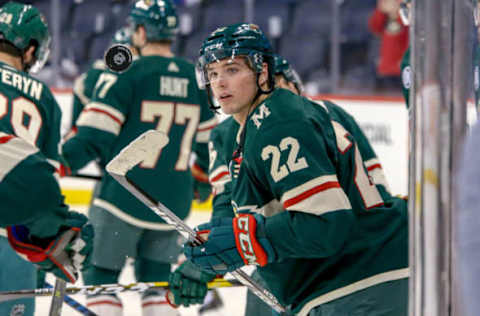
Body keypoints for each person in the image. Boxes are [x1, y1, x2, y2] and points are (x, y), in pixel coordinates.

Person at [169, 23, 409, 316]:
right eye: (213, 73)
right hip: (355, 274)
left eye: (232, 70)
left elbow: (324, 224)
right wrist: (207, 258)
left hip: (354, 281)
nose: (219, 82)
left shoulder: (279, 121)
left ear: (263, 74)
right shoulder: (256, 128)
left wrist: (243, 241)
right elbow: (232, 214)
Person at [62, 0, 217, 315]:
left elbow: (93, 136)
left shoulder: (127, 71)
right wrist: (201, 179)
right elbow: (209, 146)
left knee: (101, 280)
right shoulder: (194, 78)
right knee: (157, 286)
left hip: (122, 200)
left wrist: (55, 166)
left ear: (143, 31)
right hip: (172, 206)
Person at [0, 2, 93, 316]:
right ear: (30, 49)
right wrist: (46, 242)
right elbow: (45, 187)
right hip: (12, 238)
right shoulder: (42, 96)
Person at [368, 0, 409, 92]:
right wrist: (380, 11)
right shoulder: (384, 16)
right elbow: (374, 27)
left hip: (402, 69)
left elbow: (409, 31)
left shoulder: (405, 11)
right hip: (385, 68)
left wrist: (397, 12)